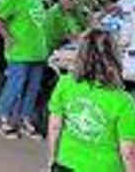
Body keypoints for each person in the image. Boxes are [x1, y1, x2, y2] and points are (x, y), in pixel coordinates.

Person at [47, 29, 135, 172]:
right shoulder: (124, 101)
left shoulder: (65, 83)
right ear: (114, 57)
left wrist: (52, 158)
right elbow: (128, 152)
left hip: (66, 162)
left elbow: (55, 126)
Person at [0, 0, 49, 139]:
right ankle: (3, 119)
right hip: (20, 52)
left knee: (33, 88)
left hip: (37, 51)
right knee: (15, 87)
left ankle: (25, 119)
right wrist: (7, 37)